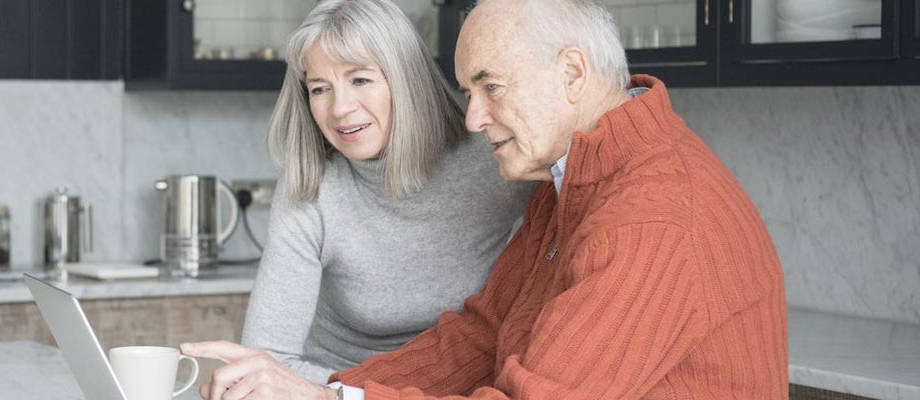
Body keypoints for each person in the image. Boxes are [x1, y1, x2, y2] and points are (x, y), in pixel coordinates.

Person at [182, 0, 789, 398]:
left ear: (572, 74)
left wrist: (327, 398)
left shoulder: (651, 218)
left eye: (491, 87)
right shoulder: (569, 183)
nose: (472, 118)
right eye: (469, 89)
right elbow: (481, 334)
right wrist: (329, 390)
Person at [236, 0, 535, 386]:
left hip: (464, 383)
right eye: (320, 89)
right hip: (338, 384)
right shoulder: (312, 187)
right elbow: (267, 361)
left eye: (360, 80)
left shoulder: (489, 152)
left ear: (405, 78)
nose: (340, 109)